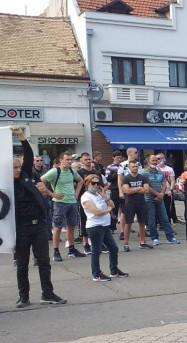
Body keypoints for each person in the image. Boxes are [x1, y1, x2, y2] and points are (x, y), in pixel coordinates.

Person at [11, 126, 67, 308]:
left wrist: (21, 136)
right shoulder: (6, 186)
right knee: (22, 265)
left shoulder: (26, 175)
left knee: (43, 261)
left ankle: (47, 293)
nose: (18, 169)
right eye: (14, 168)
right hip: (21, 229)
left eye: (19, 166)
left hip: (39, 227)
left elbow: (28, 154)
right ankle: (24, 296)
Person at [80, 174, 128, 282]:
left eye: (98, 183)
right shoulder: (86, 197)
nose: (96, 185)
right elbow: (96, 212)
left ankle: (114, 270)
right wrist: (108, 210)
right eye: (93, 183)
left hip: (105, 226)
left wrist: (104, 196)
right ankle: (96, 273)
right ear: (87, 184)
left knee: (113, 248)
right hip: (95, 227)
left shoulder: (99, 194)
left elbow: (112, 204)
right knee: (97, 251)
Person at [41, 151, 85, 261]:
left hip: (72, 202)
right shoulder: (55, 171)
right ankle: (56, 251)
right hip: (59, 203)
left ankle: (71, 249)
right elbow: (40, 181)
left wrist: (76, 193)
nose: (70, 161)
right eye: (67, 159)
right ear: (61, 160)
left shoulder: (71, 171)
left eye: (71, 159)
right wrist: (52, 194)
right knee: (58, 227)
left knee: (71, 226)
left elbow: (80, 181)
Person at [143, 154, 180, 246]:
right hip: (149, 199)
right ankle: (154, 238)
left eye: (156, 160)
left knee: (165, 218)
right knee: (152, 220)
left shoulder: (160, 173)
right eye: (153, 161)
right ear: (148, 162)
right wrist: (157, 194)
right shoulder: (145, 173)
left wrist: (161, 194)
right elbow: (147, 187)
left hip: (160, 198)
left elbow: (164, 184)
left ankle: (170, 237)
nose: (155, 162)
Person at [120, 160, 153, 252]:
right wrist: (139, 188)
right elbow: (127, 191)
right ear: (129, 168)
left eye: (136, 166)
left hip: (141, 202)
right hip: (130, 203)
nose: (135, 168)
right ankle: (126, 243)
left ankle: (142, 242)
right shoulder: (126, 178)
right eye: (133, 166)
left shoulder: (142, 177)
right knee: (128, 223)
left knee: (142, 223)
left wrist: (133, 189)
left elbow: (146, 190)